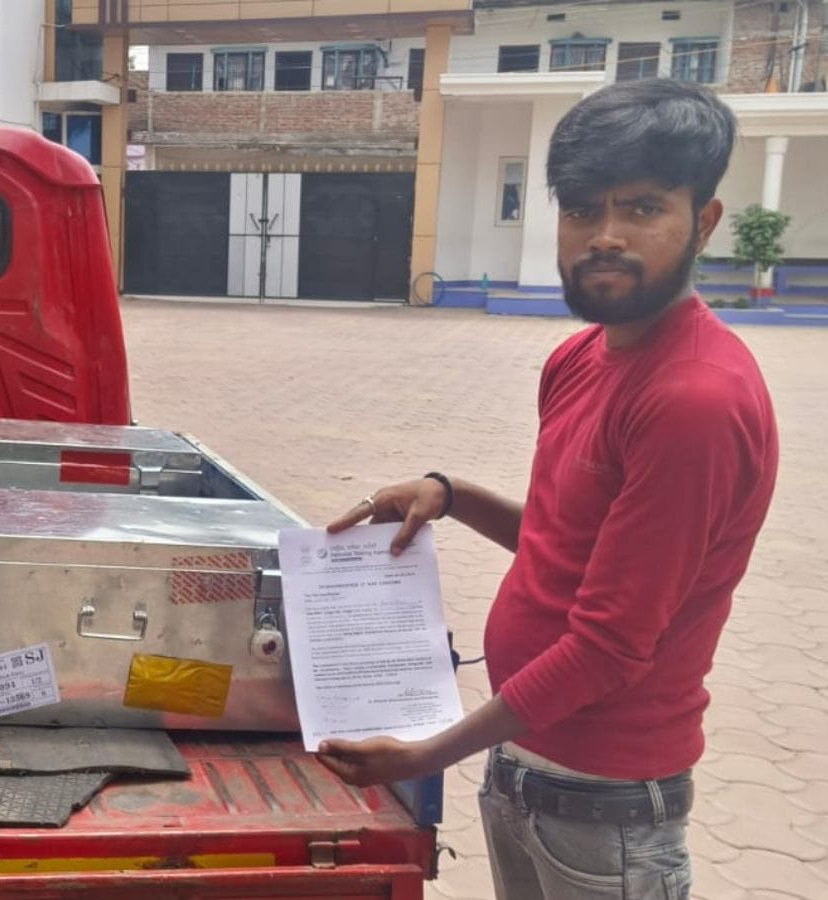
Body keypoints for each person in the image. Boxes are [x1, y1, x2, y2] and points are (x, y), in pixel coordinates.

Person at [319, 79, 778, 899]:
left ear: (703, 221)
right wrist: (450, 493)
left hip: (608, 813)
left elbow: (610, 643)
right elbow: (569, 542)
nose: (603, 236)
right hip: (527, 768)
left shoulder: (693, 400)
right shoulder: (581, 359)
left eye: (641, 209)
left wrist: (429, 755)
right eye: (580, 211)